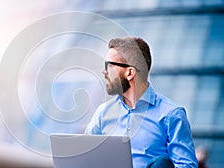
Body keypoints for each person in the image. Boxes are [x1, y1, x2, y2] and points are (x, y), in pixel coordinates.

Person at [85, 37, 198, 167]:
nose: (104, 71)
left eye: (109, 65)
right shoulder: (102, 113)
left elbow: (187, 165)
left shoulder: (171, 115)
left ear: (130, 73)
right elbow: (86, 160)